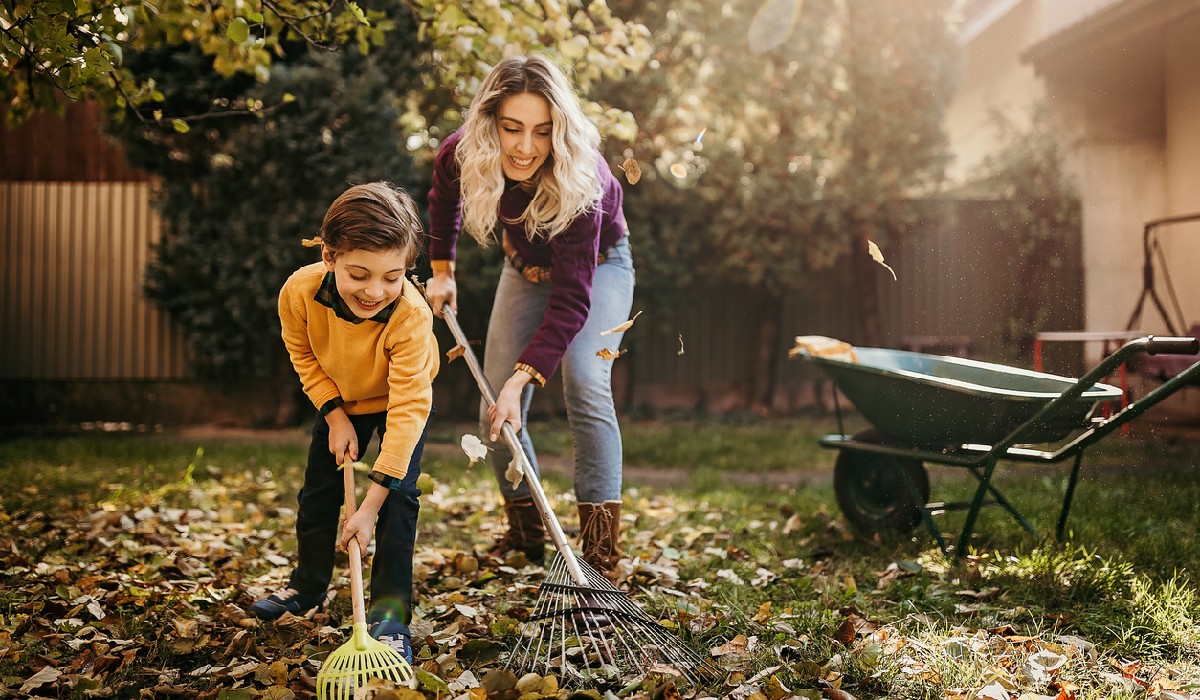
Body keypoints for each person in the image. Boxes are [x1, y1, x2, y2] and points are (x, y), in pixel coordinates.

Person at [424, 54, 635, 580]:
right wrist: (443, 269)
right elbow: (442, 199)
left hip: (599, 271)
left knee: (585, 380)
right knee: (491, 408)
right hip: (522, 270)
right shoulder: (464, 150)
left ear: (559, 131)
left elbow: (571, 302)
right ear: (491, 122)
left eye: (542, 132)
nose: (524, 147)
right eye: (512, 128)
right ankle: (528, 539)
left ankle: (601, 562)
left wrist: (524, 377)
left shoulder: (587, 180)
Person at [249, 182, 440, 663]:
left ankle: (390, 616)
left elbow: (410, 407)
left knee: (399, 499)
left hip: (399, 399)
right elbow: (304, 355)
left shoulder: (411, 317)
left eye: (393, 277)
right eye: (360, 274)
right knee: (317, 496)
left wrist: (370, 507)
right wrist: (334, 415)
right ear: (330, 256)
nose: (375, 291)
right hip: (341, 396)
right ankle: (307, 586)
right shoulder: (299, 292)